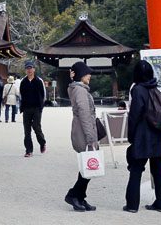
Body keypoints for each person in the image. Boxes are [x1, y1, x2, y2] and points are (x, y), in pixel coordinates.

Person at [124, 60, 161, 213]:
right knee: (158, 169)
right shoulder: (155, 88)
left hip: (142, 135)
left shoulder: (138, 90)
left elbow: (134, 115)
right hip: (157, 133)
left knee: (136, 169)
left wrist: (131, 136)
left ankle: (132, 205)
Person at [65, 61, 99, 212]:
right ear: (80, 75)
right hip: (84, 131)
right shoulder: (80, 90)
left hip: (82, 129)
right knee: (89, 165)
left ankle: (80, 197)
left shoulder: (79, 88)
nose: (89, 75)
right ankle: (73, 195)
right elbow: (85, 114)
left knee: (88, 167)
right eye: (87, 73)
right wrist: (91, 138)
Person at [19, 61, 47, 157]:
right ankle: (28, 150)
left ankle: (42, 143)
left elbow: (43, 95)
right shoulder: (23, 81)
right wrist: (21, 106)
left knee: (36, 127)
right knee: (27, 130)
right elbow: (21, 95)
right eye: (27, 68)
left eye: (31, 68)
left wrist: (41, 106)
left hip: (36, 108)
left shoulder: (39, 81)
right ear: (25, 70)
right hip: (26, 108)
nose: (29, 70)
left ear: (34, 69)